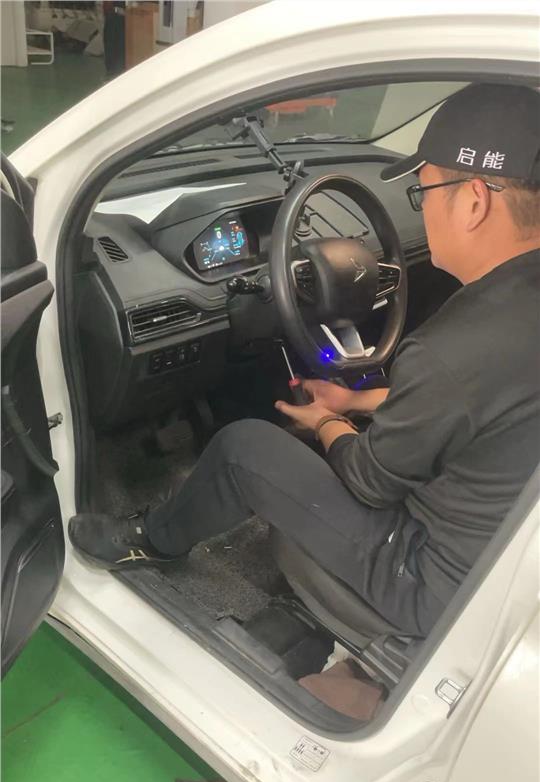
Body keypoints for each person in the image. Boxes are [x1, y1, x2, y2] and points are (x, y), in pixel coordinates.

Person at [69, 83, 540, 639]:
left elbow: (368, 479)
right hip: (504, 556)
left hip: (431, 583)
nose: (424, 204)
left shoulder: (451, 350)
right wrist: (358, 398)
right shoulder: (505, 316)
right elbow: (471, 401)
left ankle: (151, 540)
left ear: (475, 202)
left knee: (244, 448)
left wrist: (325, 420)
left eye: (424, 190)